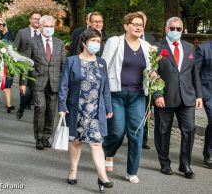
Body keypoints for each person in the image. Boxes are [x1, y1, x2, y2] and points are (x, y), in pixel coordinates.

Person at [58, 28, 114, 191]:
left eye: (99, 41)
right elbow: (63, 86)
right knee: (76, 141)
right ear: (84, 43)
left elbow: (106, 88)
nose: (97, 44)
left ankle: (103, 178)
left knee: (97, 143)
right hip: (77, 108)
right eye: (93, 41)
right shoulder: (72, 61)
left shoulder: (101, 63)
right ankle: (72, 170)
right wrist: (62, 106)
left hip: (96, 110)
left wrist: (108, 107)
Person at [102, 12, 151, 184]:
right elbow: (103, 67)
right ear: (126, 26)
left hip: (138, 96)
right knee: (116, 132)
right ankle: (108, 152)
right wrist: (102, 94)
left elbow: (151, 72)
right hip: (116, 95)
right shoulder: (115, 42)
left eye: (141, 24)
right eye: (135, 24)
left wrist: (153, 77)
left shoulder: (147, 47)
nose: (139, 27)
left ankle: (132, 171)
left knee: (136, 134)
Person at [153, 17, 203, 178]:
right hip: (165, 97)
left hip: (187, 97)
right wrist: (156, 94)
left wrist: (199, 95)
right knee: (163, 131)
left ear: (182, 30)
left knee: (189, 130)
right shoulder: (157, 47)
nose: (175, 31)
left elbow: (195, 73)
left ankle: (185, 164)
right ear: (166, 29)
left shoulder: (190, 48)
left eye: (179, 29)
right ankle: (165, 163)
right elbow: (151, 74)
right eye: (172, 28)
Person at [20, 15, 66, 150]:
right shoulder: (32, 42)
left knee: (51, 111)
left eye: (51, 26)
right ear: (40, 27)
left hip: (54, 82)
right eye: (46, 26)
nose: (49, 29)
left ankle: (47, 136)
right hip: (38, 81)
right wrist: (23, 82)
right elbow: (26, 64)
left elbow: (64, 64)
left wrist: (66, 84)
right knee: (40, 108)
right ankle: (39, 138)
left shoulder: (59, 43)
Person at [13, 12, 41, 119]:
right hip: (25, 66)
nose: (37, 20)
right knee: (25, 89)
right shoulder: (22, 32)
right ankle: (22, 107)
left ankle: (38, 116)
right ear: (30, 20)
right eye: (35, 18)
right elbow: (15, 47)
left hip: (39, 66)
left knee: (38, 90)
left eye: (39, 19)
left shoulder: (43, 33)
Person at [137, 11, 156, 150]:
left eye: (143, 20)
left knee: (147, 110)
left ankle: (143, 139)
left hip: (148, 80)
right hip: (133, 80)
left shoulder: (150, 38)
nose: (141, 23)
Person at [0, 17, 15, 113]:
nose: (1, 26)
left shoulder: (8, 34)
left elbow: (12, 46)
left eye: (3, 24)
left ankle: (9, 104)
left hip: (6, 62)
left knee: (8, 83)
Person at [196, 41, 212, 168]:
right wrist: (198, 94)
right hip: (208, 92)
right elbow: (195, 72)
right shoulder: (204, 49)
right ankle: (208, 153)